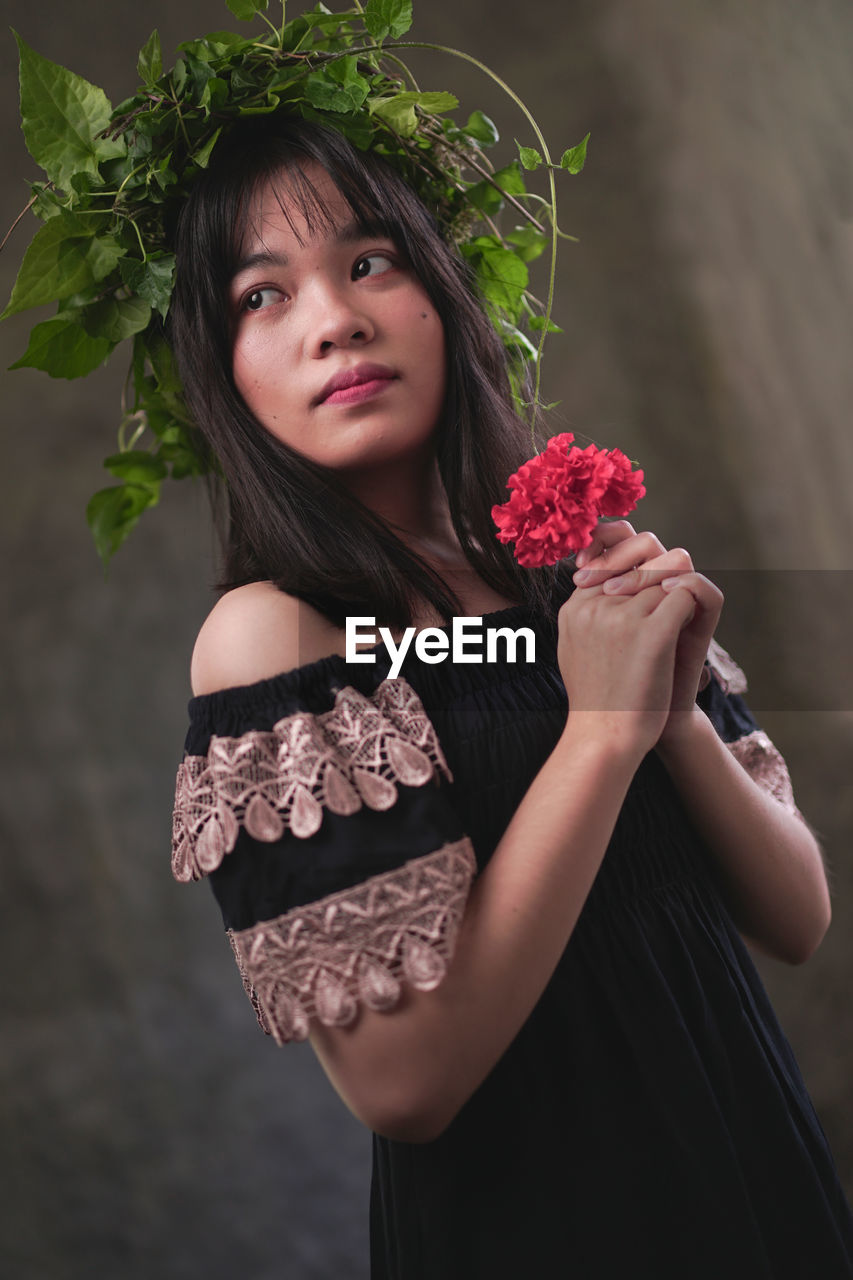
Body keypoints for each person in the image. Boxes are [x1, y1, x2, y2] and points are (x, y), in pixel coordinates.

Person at [167, 117, 853, 1277]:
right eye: (261, 295)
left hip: (751, 1163)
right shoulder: (276, 636)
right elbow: (406, 1083)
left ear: (442, 285)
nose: (335, 318)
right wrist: (596, 734)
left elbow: (795, 919)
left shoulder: (567, 565)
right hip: (542, 1222)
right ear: (220, 370)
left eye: (369, 262)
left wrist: (669, 713)